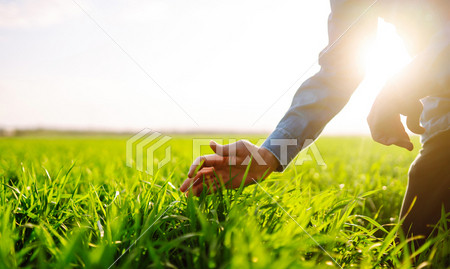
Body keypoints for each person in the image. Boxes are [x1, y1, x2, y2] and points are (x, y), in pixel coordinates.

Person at [180, 0, 450, 243]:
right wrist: (270, 154)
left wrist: (401, 87)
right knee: (416, 247)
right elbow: (339, 73)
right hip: (443, 111)